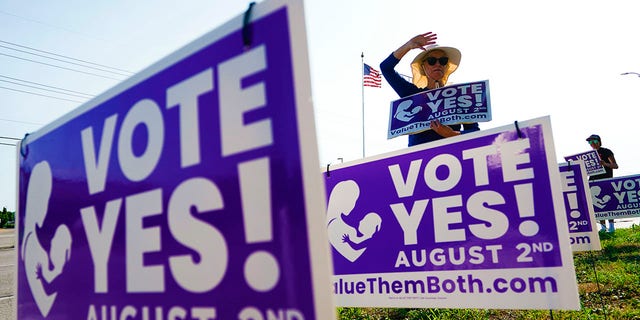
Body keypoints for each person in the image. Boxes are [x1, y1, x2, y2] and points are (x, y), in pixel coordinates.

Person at [379, 32, 479, 146]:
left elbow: (475, 132)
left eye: (443, 61)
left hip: (454, 156)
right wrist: (408, 46)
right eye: (432, 61)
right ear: (423, 67)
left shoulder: (461, 97)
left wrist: (452, 135)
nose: (438, 64)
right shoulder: (412, 95)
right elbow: (386, 68)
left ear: (446, 66)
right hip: (419, 159)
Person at [586, 134, 618, 232]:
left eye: (594, 141)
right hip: (593, 182)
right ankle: (603, 227)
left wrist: (605, 164)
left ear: (599, 141)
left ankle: (611, 226)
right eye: (590, 142)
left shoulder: (606, 151)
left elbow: (615, 165)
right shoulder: (588, 155)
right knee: (597, 205)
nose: (592, 144)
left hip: (606, 180)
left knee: (608, 203)